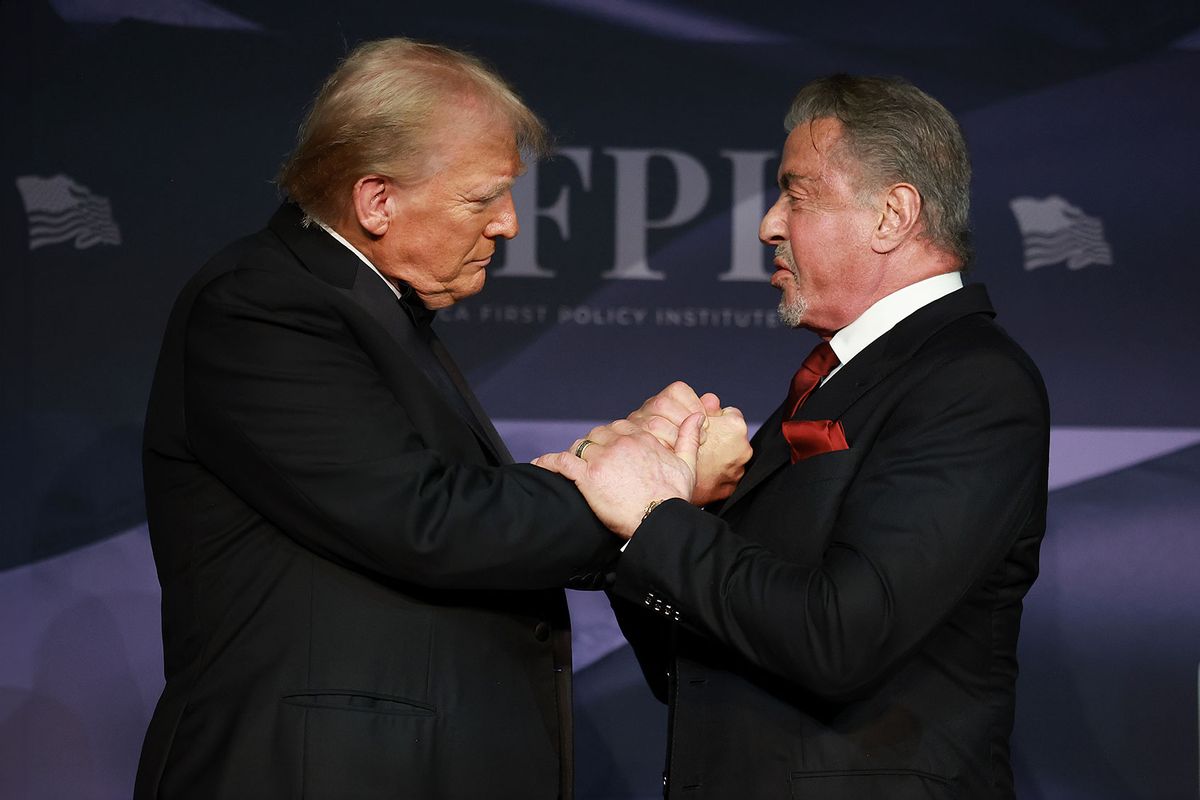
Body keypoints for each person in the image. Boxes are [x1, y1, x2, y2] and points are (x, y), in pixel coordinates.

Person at [135, 38, 701, 800]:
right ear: (377, 200)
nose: (507, 224)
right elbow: (423, 519)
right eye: (482, 197)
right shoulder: (264, 306)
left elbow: (434, 507)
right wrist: (653, 491)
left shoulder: (369, 311)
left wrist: (627, 465)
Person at [535, 74, 1050, 799]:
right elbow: (703, 662)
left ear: (892, 215)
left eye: (796, 193)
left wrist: (658, 518)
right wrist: (647, 517)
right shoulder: (837, 379)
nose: (768, 224)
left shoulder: (970, 383)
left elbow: (841, 638)